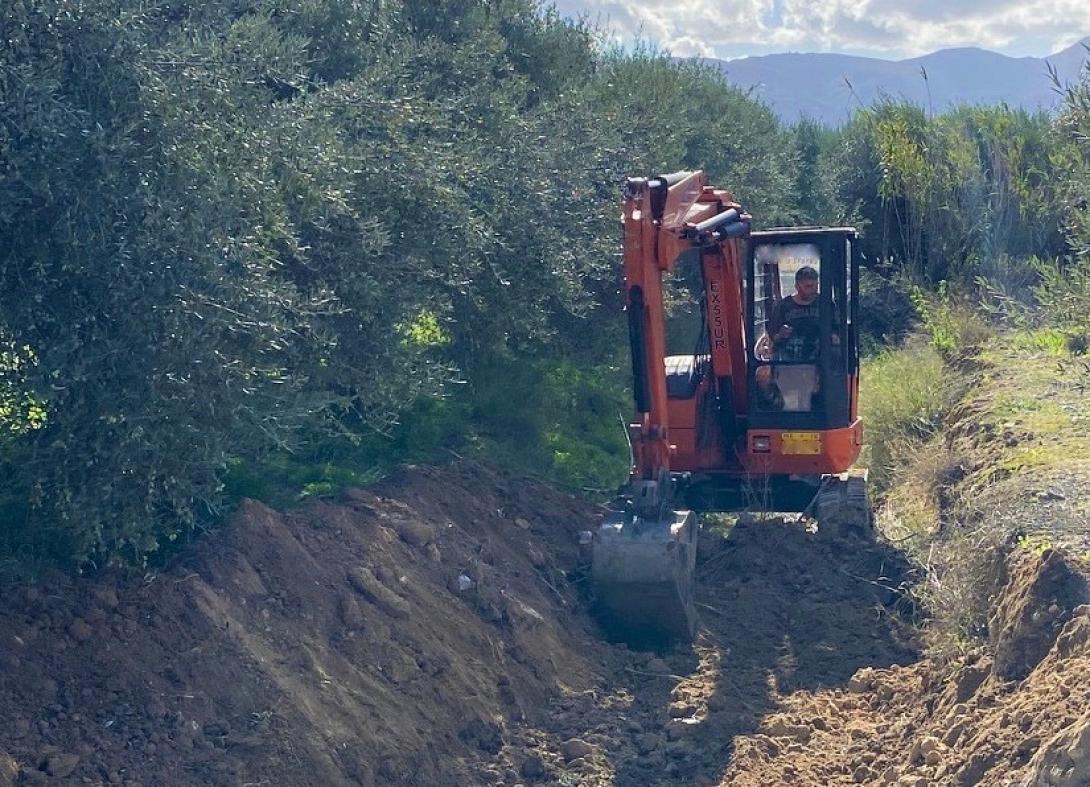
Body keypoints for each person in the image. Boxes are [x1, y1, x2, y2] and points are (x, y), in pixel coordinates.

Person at [768, 266, 821, 361]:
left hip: (820, 361)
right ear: (797, 286)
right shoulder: (784, 306)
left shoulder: (826, 304)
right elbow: (772, 337)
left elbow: (838, 333)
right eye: (808, 286)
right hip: (789, 362)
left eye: (815, 285)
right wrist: (781, 334)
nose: (813, 290)